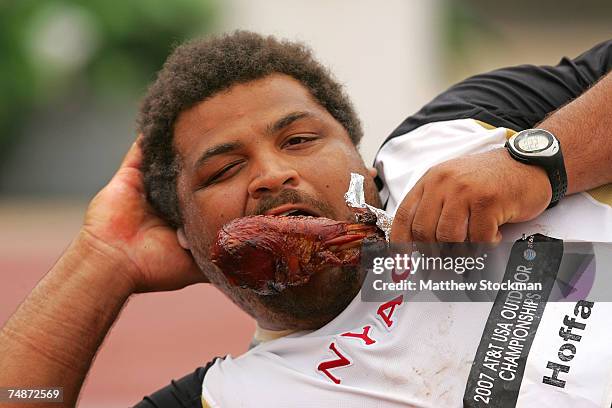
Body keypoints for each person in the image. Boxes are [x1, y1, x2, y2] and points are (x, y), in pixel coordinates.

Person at [0, 31, 611, 407]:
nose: (270, 175)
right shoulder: (237, 398)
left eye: (298, 140)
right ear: (185, 236)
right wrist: (102, 259)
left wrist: (540, 160)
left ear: (357, 152)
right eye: (221, 172)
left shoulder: (454, 138)